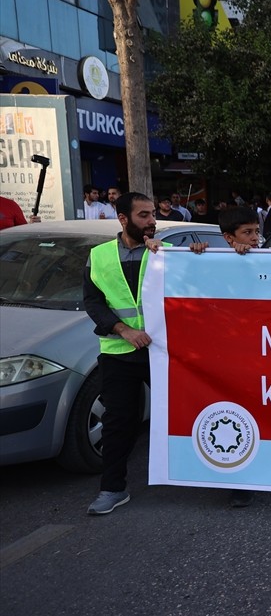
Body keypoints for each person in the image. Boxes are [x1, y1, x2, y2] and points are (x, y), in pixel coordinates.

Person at [82, 193, 165, 515]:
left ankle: (219, 479)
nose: (151, 221)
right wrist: (123, 330)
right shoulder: (99, 255)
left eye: (153, 214)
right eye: (144, 215)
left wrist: (194, 253)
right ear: (122, 218)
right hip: (118, 351)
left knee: (187, 413)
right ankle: (113, 489)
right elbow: (93, 301)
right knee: (118, 422)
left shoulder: (167, 253)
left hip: (161, 351)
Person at [188, 205, 262, 507]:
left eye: (257, 231)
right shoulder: (211, 262)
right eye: (247, 233)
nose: (255, 238)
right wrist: (196, 254)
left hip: (264, 353)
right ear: (228, 238)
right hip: (231, 355)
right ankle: (238, 481)